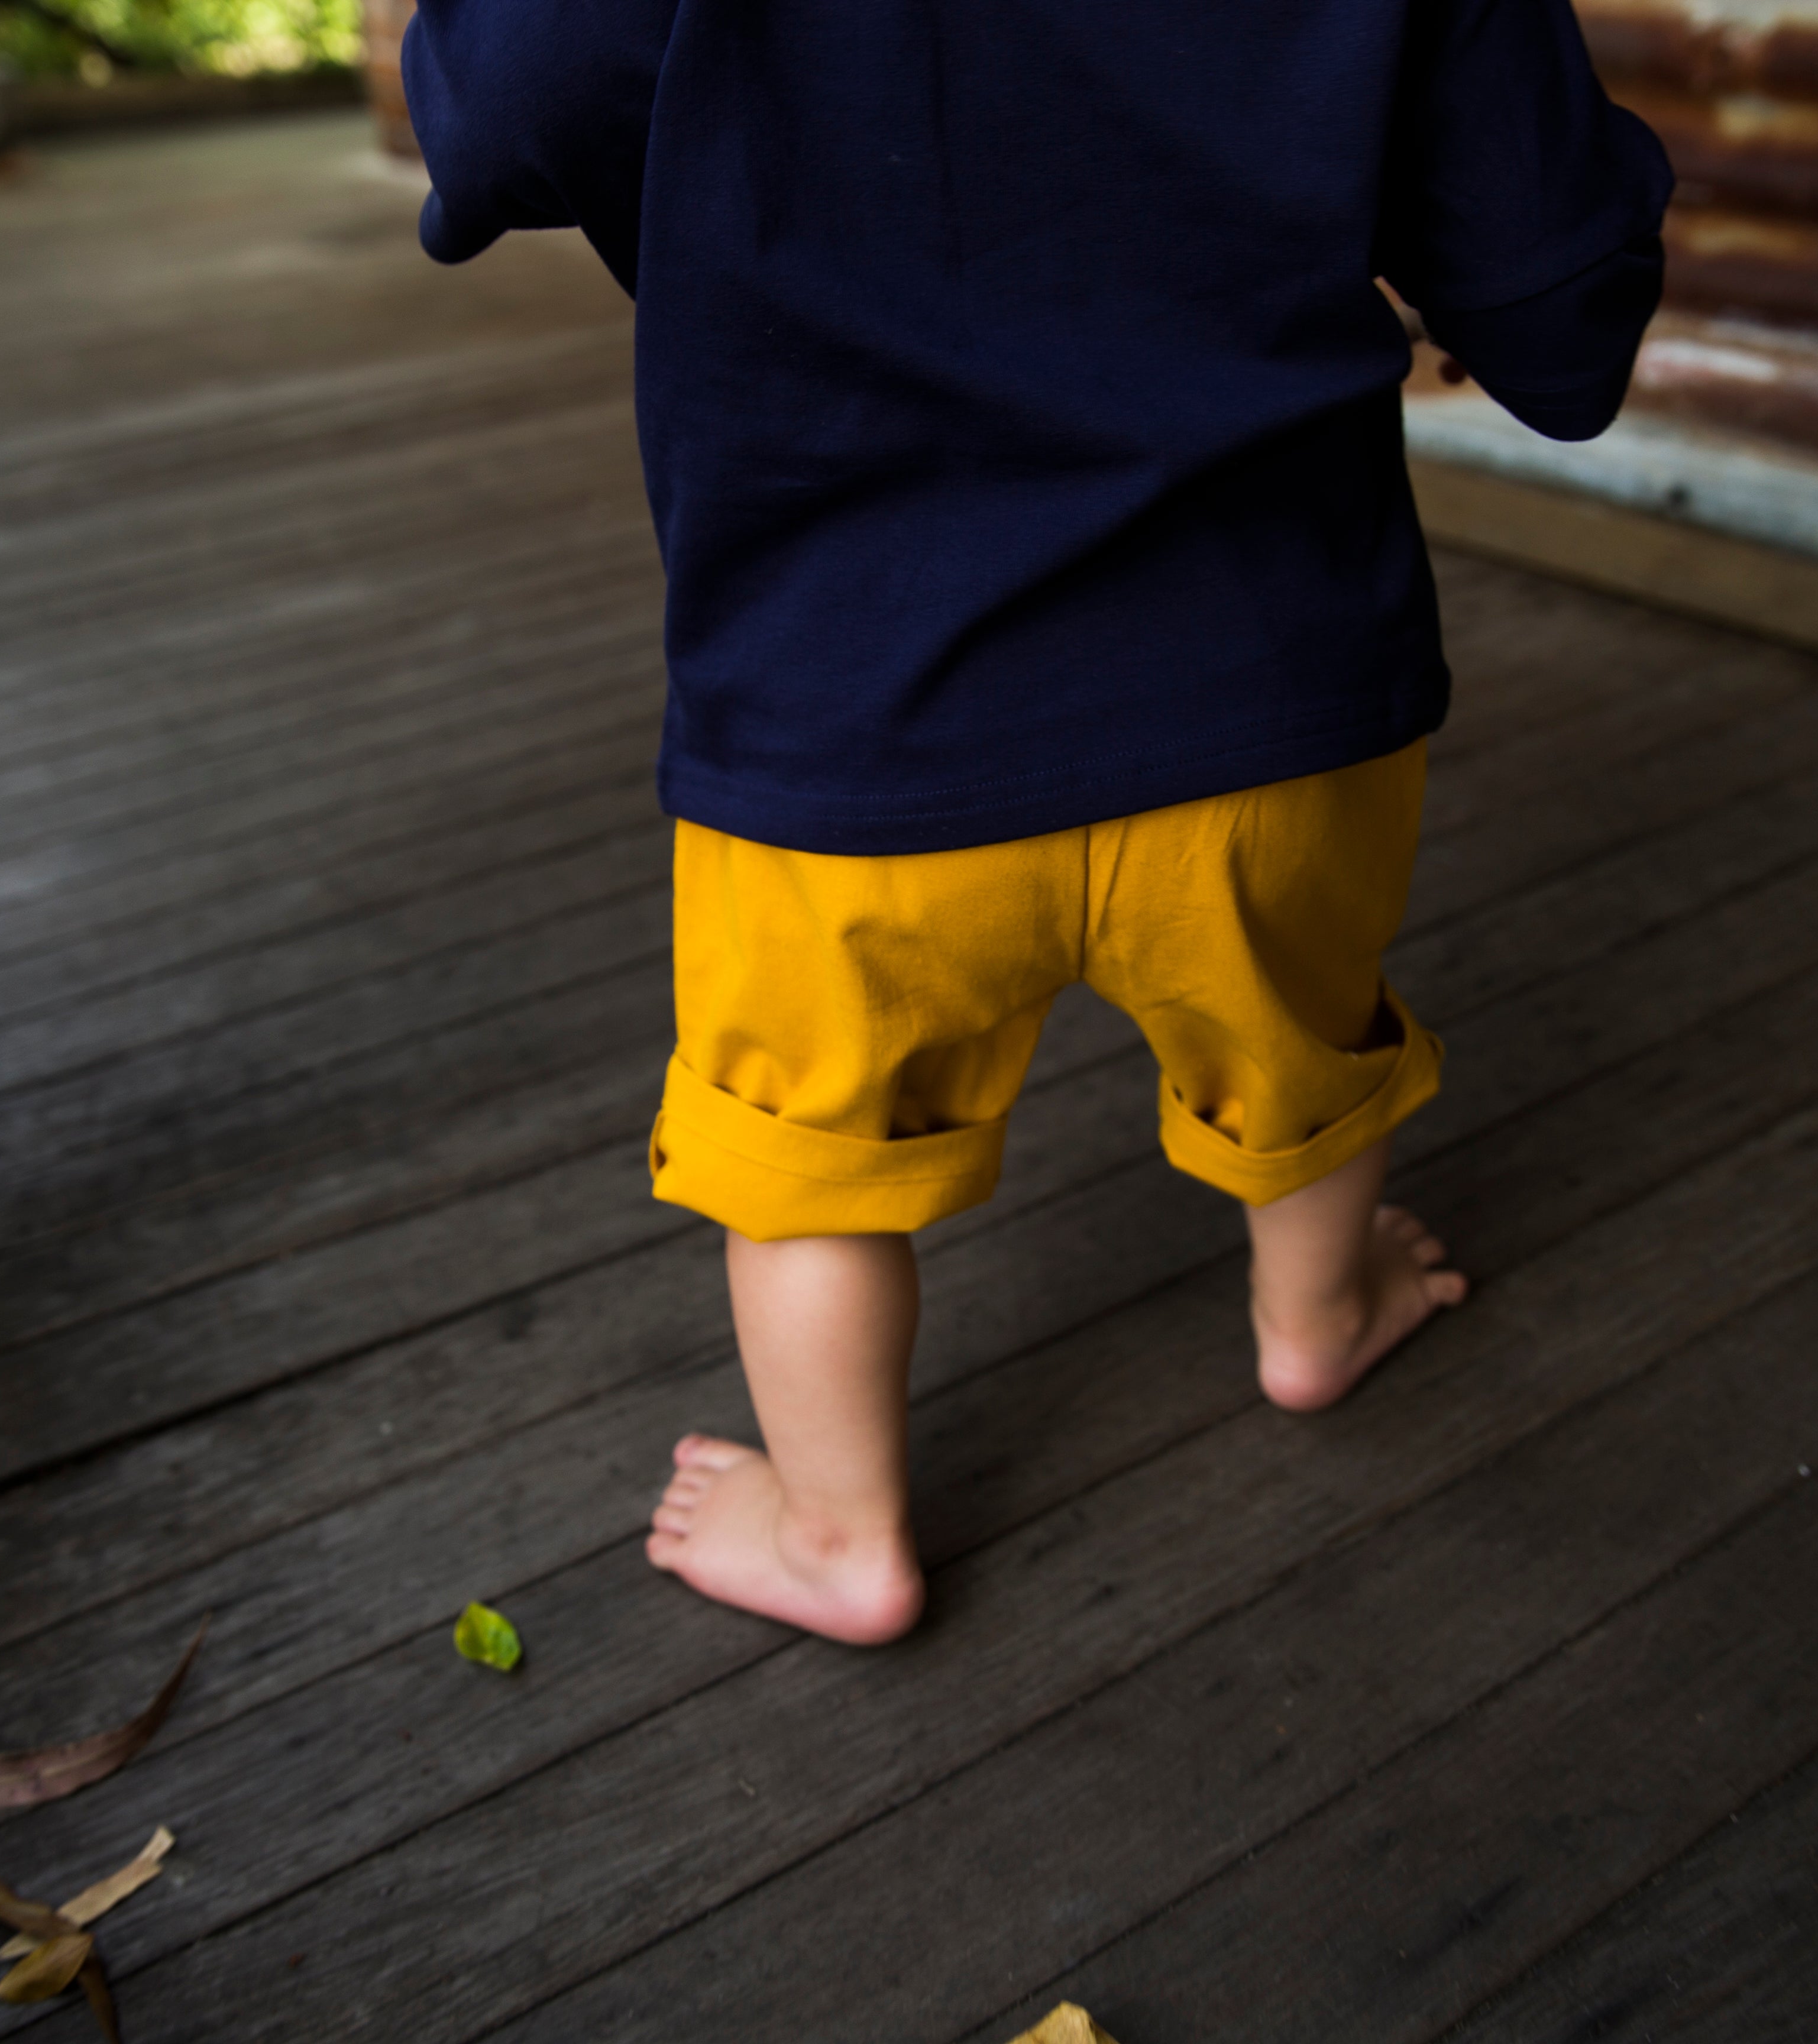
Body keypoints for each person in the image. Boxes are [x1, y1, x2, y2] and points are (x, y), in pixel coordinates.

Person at [403, 0, 1669, 1642]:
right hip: (1272, 685)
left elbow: (505, 105)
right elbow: (1552, 284)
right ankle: (1321, 1316)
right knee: (1303, 1035)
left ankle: (842, 1536)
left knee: (807, 1159)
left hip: (853, 725)